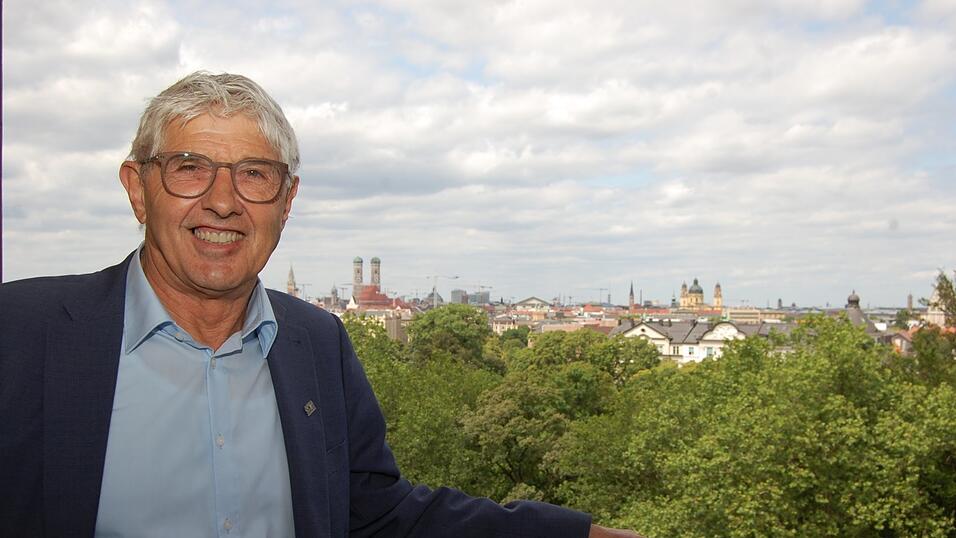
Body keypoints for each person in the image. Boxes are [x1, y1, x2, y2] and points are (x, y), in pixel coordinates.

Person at [0, 72, 641, 538]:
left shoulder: (318, 342)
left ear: (287, 201)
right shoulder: (23, 335)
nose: (223, 201)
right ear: (138, 190)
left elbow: (374, 513)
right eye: (190, 168)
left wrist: (574, 534)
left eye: (255, 174)